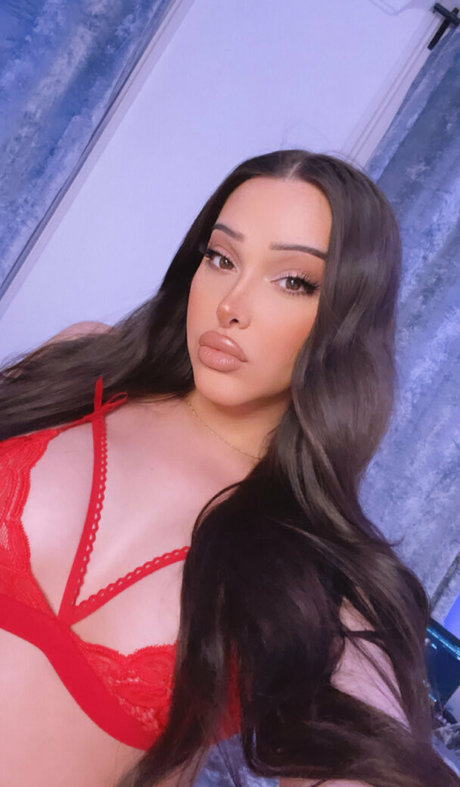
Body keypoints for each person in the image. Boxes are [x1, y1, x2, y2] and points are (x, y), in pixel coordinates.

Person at [0, 150, 456, 787]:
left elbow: (370, 755)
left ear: (346, 320)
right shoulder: (78, 368)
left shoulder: (314, 575)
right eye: (221, 258)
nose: (231, 305)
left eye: (293, 281)